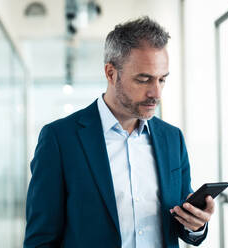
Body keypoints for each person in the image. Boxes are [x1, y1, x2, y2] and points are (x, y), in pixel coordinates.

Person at [23, 16, 214, 248]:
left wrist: (196, 224)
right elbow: (40, 239)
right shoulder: (60, 139)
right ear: (111, 73)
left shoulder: (173, 139)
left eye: (162, 80)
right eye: (144, 79)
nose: (156, 93)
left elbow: (180, 220)